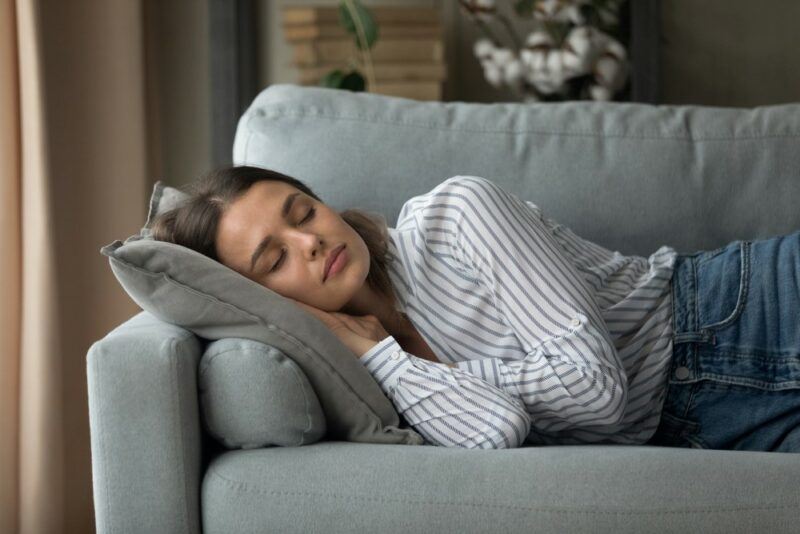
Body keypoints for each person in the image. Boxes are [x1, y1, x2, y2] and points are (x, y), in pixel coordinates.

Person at [151, 165, 800, 452]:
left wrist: (432, 374)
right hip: (703, 430)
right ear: (265, 298)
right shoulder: (357, 369)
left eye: (304, 212)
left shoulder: (456, 215)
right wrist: (384, 357)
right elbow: (496, 432)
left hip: (740, 309)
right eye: (275, 259)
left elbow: (596, 389)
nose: (311, 241)